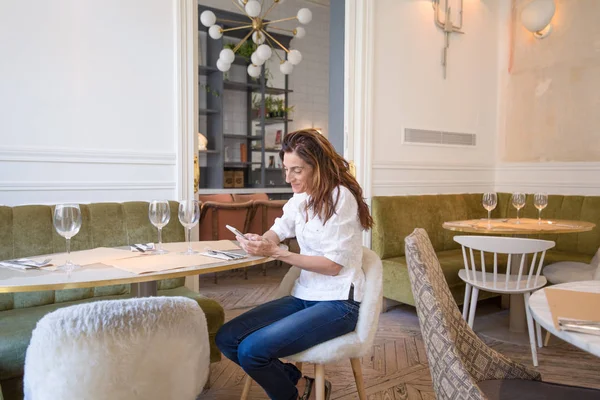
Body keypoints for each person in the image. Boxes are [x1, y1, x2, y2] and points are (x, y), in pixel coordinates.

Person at [215, 129, 373, 400]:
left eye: (296, 170)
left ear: (318, 167)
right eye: (286, 169)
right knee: (227, 338)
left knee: (252, 350)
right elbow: (279, 229)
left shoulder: (340, 197)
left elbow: (333, 266)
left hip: (338, 303)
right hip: (305, 295)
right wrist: (261, 241)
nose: (288, 178)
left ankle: (291, 394)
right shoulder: (301, 199)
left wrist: (278, 253)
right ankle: (298, 386)